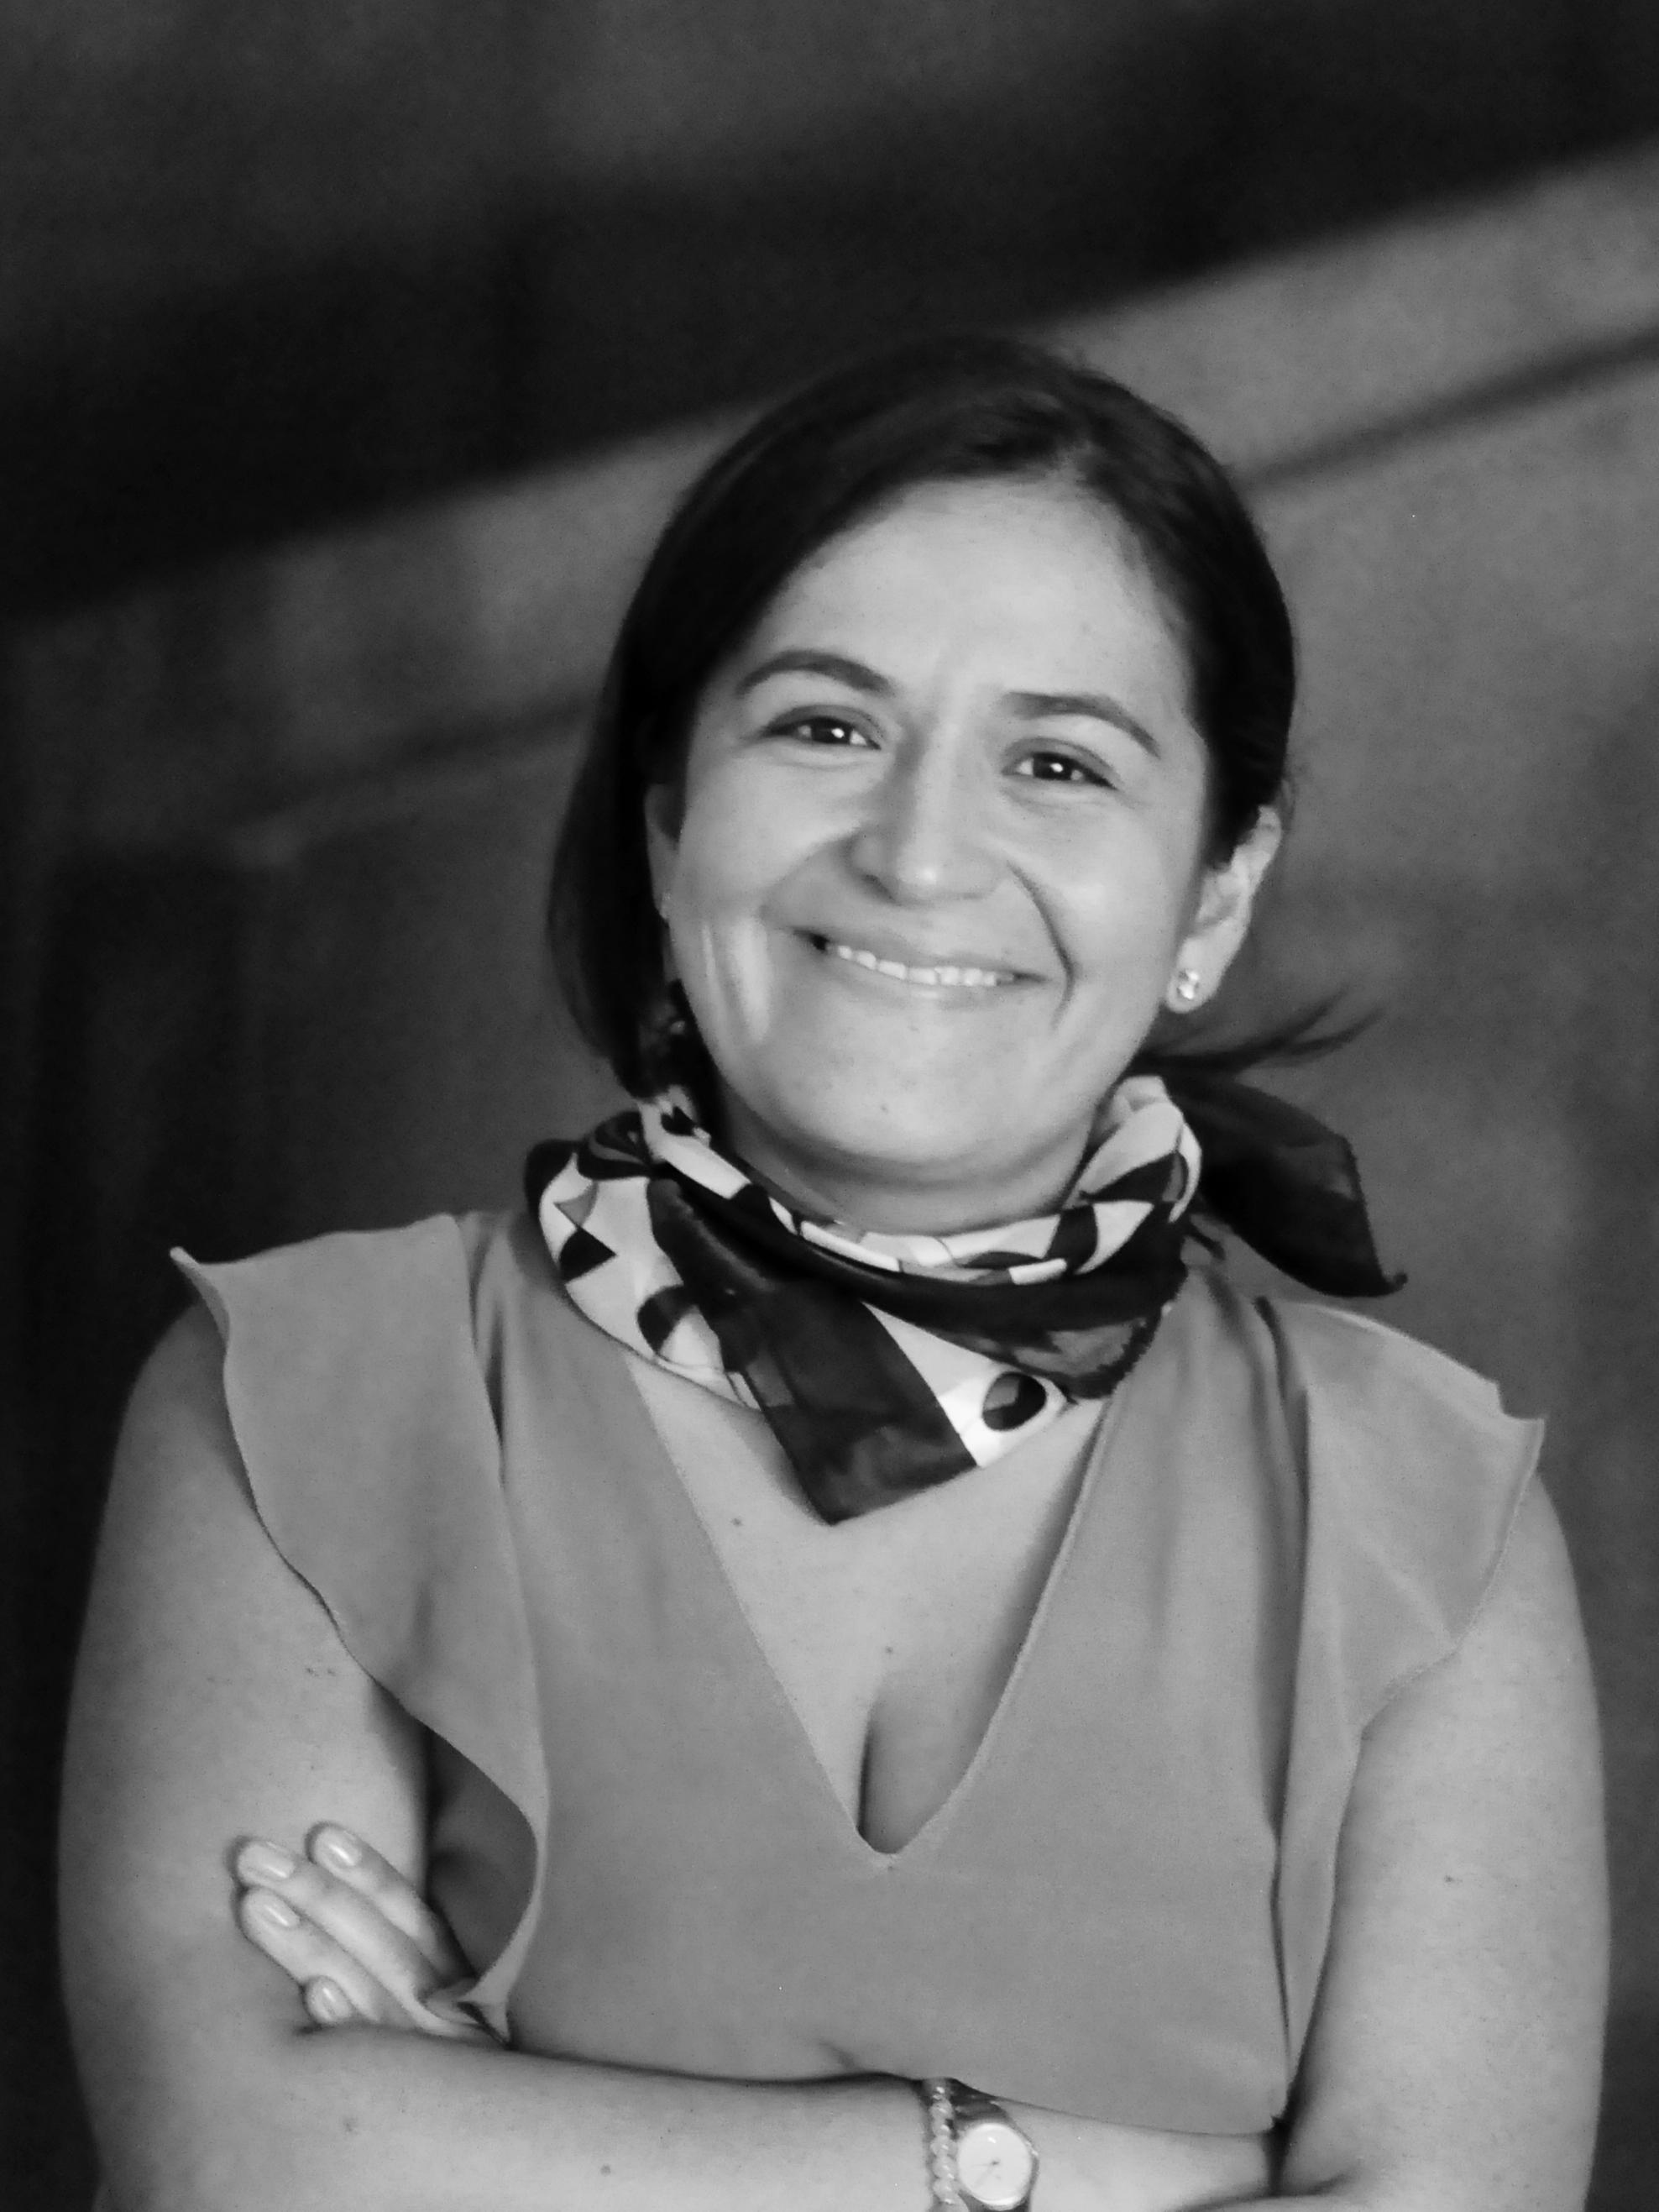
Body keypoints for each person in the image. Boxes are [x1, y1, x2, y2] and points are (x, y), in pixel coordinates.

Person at [60, 335, 1606, 2212]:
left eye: (1055, 761)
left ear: (1212, 893)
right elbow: (249, 2173)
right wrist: (1067, 2171)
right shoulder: (296, 1395)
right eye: (824, 725)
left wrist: (498, 2141)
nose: (919, 850)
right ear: (663, 812)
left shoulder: (1420, 1515)